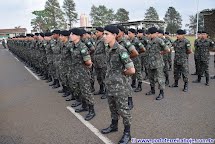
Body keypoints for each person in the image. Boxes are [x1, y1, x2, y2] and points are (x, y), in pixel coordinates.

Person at [101, 25, 135, 144]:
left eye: (107, 34)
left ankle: (127, 133)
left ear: (114, 35)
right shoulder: (108, 48)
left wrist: (122, 74)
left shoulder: (121, 50)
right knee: (112, 108)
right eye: (103, 34)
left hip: (120, 87)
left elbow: (131, 70)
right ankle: (114, 125)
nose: (104, 36)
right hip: (110, 84)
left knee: (124, 111)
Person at [68, 28, 95, 121]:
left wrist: (87, 67)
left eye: (72, 34)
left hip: (83, 72)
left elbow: (88, 62)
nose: (70, 36)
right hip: (75, 71)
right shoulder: (72, 45)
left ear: (77, 36)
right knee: (79, 89)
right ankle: (84, 106)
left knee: (86, 91)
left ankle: (92, 110)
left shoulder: (82, 47)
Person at [145, 27, 169, 100]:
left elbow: (167, 49)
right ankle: (152, 90)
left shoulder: (159, 40)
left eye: (151, 34)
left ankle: (161, 93)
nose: (149, 35)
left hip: (158, 63)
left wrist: (162, 53)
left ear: (155, 33)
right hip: (150, 63)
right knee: (151, 78)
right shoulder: (149, 41)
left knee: (160, 78)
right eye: (149, 34)